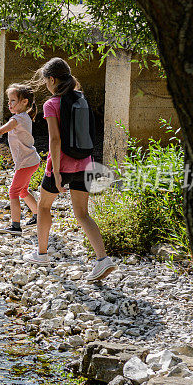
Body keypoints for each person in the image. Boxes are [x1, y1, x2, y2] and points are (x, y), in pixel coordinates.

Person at [25, 57, 116, 281]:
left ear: (52, 79)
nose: (46, 84)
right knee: (82, 214)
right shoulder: (81, 99)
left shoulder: (51, 104)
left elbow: (55, 140)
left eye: (46, 81)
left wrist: (56, 174)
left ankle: (42, 253)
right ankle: (102, 260)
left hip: (61, 165)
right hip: (84, 162)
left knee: (44, 206)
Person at [0, 84, 41, 235]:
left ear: (24, 102)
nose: (9, 104)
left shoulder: (17, 119)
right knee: (22, 190)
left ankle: (15, 226)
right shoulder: (24, 117)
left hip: (26, 162)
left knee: (13, 192)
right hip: (31, 160)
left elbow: (0, 131)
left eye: (12, 100)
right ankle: (38, 216)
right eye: (8, 101)